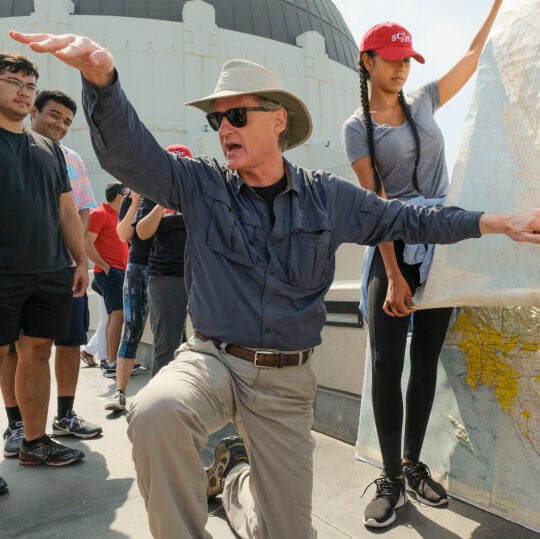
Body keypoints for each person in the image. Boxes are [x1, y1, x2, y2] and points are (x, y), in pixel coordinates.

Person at [10, 31, 539, 538]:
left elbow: (411, 221)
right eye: (218, 119)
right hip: (212, 360)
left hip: (287, 383)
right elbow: (132, 156)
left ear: (279, 120)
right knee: (155, 412)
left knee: (286, 532)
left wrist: (497, 222)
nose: (224, 129)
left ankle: (237, 481)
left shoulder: (328, 198)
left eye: (237, 115)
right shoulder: (199, 184)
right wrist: (104, 82)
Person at [342, 2, 502, 528]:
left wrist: (498, 5)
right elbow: (377, 201)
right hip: (393, 250)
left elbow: (474, 55)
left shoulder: (423, 99)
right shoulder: (356, 128)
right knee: (387, 363)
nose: (401, 68)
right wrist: (390, 273)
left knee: (427, 358)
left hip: (441, 245)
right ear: (366, 60)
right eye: (390, 59)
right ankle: (389, 478)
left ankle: (411, 465)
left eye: (407, 59)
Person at [2, 90, 102, 456]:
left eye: (67, 121)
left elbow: (76, 211)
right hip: (12, 271)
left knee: (57, 344)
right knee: (10, 351)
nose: (60, 125)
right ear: (33, 110)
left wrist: (80, 261)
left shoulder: (66, 157)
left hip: (57, 270)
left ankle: (52, 425)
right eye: (54, 116)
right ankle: (16, 425)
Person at [135, 144, 192, 377]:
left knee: (210, 345)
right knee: (166, 346)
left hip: (202, 276)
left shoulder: (199, 192)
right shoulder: (153, 193)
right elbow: (142, 232)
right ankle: (161, 408)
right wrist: (163, 203)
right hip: (166, 277)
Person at [104, 189, 149, 411]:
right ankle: (119, 392)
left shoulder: (174, 192)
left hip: (171, 271)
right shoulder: (133, 197)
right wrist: (134, 203)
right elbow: (123, 235)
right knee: (131, 329)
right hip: (138, 268)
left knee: (172, 333)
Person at [86, 182, 129, 374]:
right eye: (127, 195)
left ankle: (112, 361)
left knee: (115, 316)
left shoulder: (118, 216)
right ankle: (111, 363)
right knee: (116, 315)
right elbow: (87, 244)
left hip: (120, 272)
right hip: (109, 273)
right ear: (120, 196)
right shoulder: (99, 214)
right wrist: (106, 267)